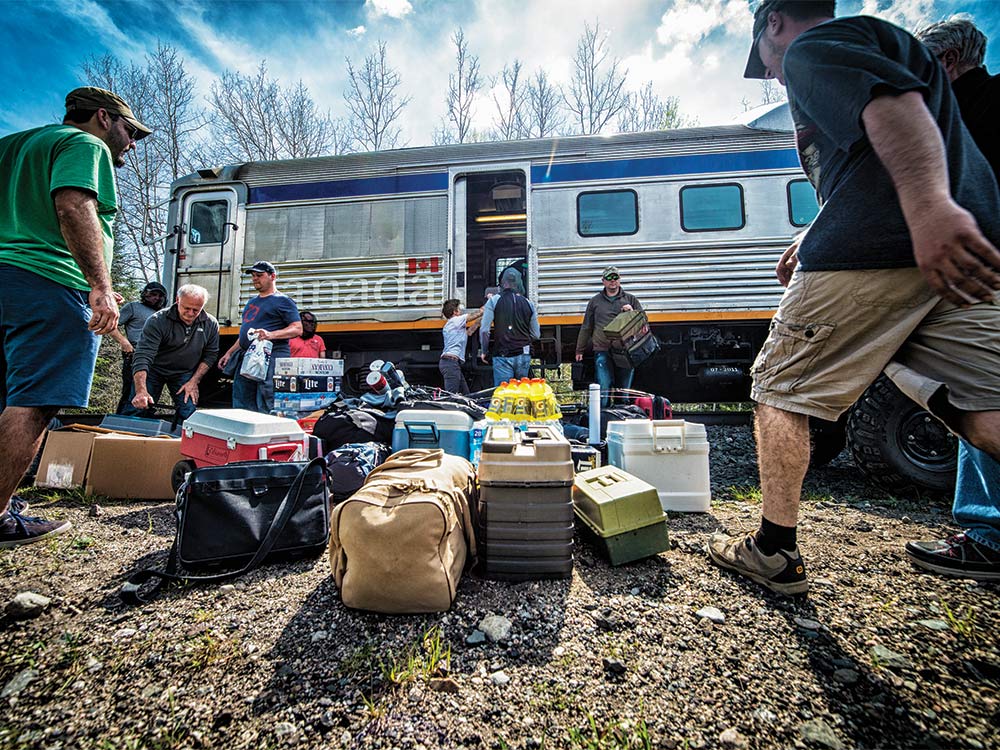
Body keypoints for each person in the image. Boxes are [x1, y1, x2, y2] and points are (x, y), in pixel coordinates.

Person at [706, 0, 1000, 595]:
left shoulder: (815, 46)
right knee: (980, 404)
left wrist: (926, 207)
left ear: (775, 24)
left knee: (780, 390)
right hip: (956, 252)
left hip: (873, 251)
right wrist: (813, 230)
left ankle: (774, 550)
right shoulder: (886, 44)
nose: (770, 73)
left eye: (763, 57)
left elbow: (892, 109)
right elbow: (868, 163)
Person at [0, 86, 150, 547]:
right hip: (47, 279)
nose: (131, 143)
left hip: (7, 278)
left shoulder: (12, 146)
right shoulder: (84, 144)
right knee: (36, 399)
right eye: (129, 132)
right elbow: (73, 204)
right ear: (103, 118)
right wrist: (101, 287)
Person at [903, 17, 1000, 579]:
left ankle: (988, 531)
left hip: (979, 276)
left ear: (943, 65)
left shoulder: (953, 117)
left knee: (979, 393)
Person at [218, 261, 301, 413]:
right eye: (253, 276)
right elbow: (246, 333)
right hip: (248, 356)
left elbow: (297, 328)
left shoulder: (283, 301)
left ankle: (268, 433)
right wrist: (229, 352)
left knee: (266, 399)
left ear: (272, 276)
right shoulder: (251, 302)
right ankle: (244, 431)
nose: (255, 278)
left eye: (260, 275)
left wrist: (271, 334)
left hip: (271, 355)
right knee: (242, 399)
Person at [128, 285, 220, 422]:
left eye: (196, 310)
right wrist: (141, 390)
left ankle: (184, 441)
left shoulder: (211, 324)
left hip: (184, 373)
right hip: (154, 369)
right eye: (186, 308)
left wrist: (194, 381)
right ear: (177, 300)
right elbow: (143, 355)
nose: (190, 313)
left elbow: (210, 355)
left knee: (188, 411)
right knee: (138, 407)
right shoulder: (157, 320)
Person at [574, 265, 643, 407]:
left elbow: (642, 323)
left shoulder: (630, 299)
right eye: (609, 278)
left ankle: (622, 413)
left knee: (623, 389)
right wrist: (579, 350)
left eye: (615, 277)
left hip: (625, 350)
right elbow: (587, 326)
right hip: (602, 349)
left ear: (619, 280)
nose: (613, 281)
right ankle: (602, 417)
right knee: (603, 386)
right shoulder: (595, 301)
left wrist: (632, 312)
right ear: (603, 281)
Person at [111, 281, 167, 414]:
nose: (156, 298)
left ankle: (141, 423)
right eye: (153, 294)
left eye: (159, 296)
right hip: (135, 354)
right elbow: (110, 325)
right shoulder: (133, 307)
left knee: (150, 395)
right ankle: (121, 423)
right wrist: (124, 342)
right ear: (145, 294)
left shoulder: (164, 313)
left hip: (156, 358)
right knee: (131, 393)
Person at [479, 268, 540, 387]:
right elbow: (536, 335)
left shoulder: (493, 301)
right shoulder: (528, 303)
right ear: (518, 283)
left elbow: (484, 330)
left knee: (504, 396)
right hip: (523, 353)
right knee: (521, 394)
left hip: (503, 355)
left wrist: (484, 351)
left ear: (503, 283)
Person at [439, 298, 483, 394]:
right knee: (452, 395)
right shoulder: (455, 321)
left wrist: (482, 317)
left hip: (452, 363)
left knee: (465, 394)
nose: (461, 311)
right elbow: (475, 315)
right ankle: (447, 408)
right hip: (450, 363)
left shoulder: (455, 326)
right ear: (455, 311)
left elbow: (470, 331)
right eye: (459, 309)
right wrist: (488, 305)